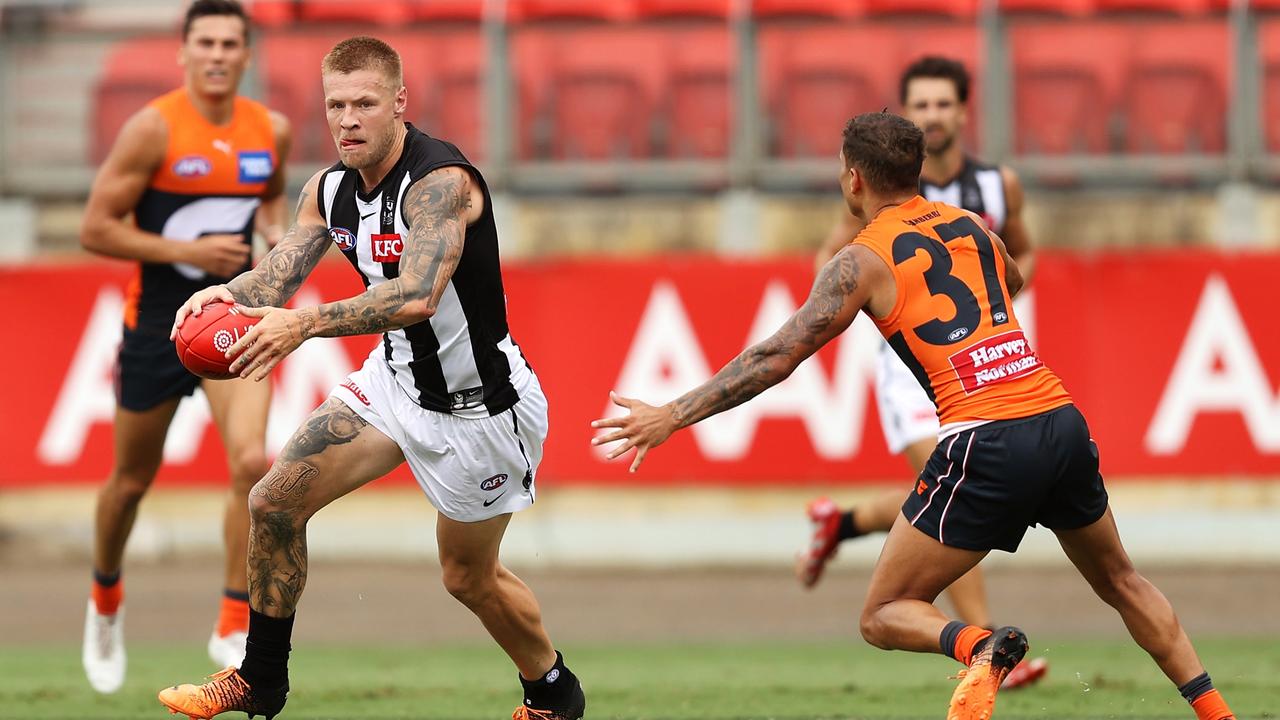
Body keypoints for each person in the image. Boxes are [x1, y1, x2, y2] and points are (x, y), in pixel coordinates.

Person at [591, 112, 1236, 720]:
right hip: (1057, 417)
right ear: (917, 170)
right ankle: (1217, 711)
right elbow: (1009, 281)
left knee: (883, 613)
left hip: (985, 435)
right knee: (1123, 581)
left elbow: (776, 356)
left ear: (854, 177)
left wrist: (673, 414)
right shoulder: (972, 226)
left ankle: (978, 647)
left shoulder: (862, 259)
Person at [155, 36, 586, 720]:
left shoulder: (443, 183)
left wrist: (302, 326)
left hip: (480, 409)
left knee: (468, 578)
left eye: (364, 103)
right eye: (336, 105)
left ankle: (553, 691)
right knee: (272, 502)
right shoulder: (328, 191)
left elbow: (416, 295)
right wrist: (224, 299)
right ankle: (259, 679)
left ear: (399, 104)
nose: (348, 119)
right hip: (394, 382)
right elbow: (277, 277)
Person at [797, 55, 1046, 689]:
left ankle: (842, 522)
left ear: (962, 111)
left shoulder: (996, 187)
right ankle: (989, 652)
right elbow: (834, 256)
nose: (933, 116)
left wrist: (993, 303)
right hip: (912, 364)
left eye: (943, 104)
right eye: (921, 105)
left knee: (939, 496)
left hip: (986, 350)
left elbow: (1022, 248)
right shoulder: (884, 192)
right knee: (951, 499)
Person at [79, 0, 290, 694]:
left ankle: (234, 620)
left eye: (232, 42)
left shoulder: (271, 130)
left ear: (247, 53)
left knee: (254, 463)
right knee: (130, 484)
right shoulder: (153, 129)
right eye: (206, 42)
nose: (219, 54)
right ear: (184, 51)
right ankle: (105, 599)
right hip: (158, 325)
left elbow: (271, 205)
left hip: (232, 318)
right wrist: (185, 250)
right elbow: (96, 227)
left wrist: (272, 242)